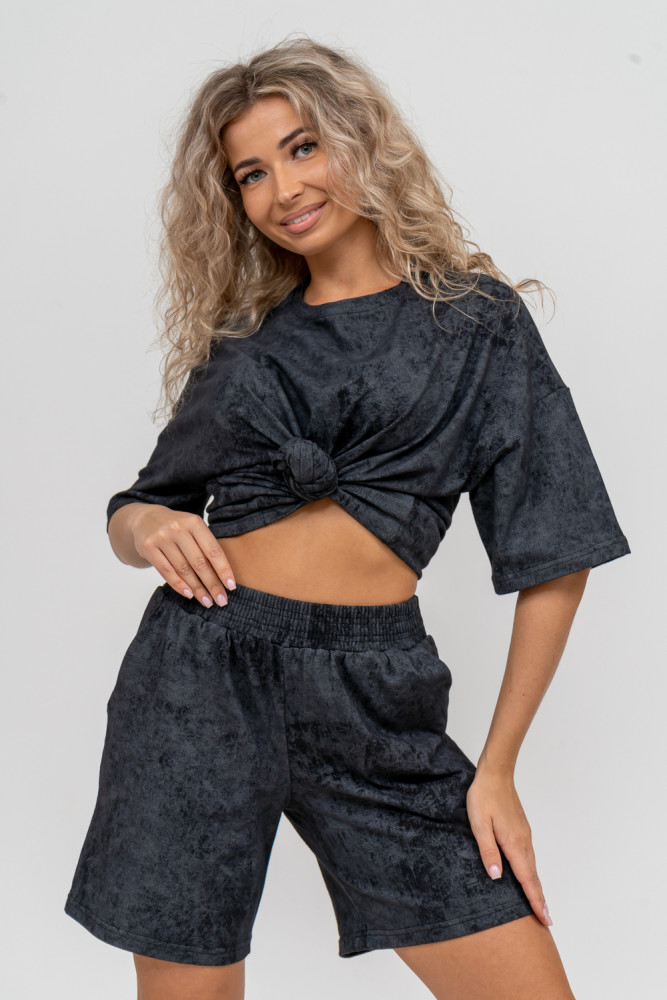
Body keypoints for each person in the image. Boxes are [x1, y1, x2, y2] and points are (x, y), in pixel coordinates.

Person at [64, 34, 630, 1000]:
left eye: (302, 148)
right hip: (197, 676)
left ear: (359, 140)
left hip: (375, 691)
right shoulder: (247, 343)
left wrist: (495, 769)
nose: (282, 189)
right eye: (250, 173)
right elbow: (143, 504)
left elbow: (556, 555)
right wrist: (146, 529)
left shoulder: (476, 322)